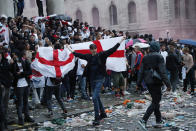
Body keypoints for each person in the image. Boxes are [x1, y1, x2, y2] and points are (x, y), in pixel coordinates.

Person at [67, 37, 125, 125]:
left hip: (100, 78)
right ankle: (103, 113)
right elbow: (77, 54)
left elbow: (112, 50)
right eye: (92, 49)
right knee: (96, 97)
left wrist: (120, 41)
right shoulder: (88, 56)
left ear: (96, 49)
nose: (93, 50)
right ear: (90, 50)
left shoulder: (101, 55)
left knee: (94, 97)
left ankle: (97, 118)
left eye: (95, 49)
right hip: (92, 80)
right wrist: (68, 48)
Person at [137, 41, 171, 129]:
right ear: (157, 48)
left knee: (155, 100)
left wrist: (138, 83)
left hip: (148, 82)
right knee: (156, 101)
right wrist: (168, 84)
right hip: (156, 81)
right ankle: (143, 120)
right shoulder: (159, 56)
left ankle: (158, 120)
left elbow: (141, 71)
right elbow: (163, 72)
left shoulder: (145, 57)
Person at [12, 52, 34, 125]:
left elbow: (30, 72)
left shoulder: (26, 62)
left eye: (15, 55)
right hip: (18, 85)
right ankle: (20, 118)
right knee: (19, 102)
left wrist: (21, 73)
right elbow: (15, 74)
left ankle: (27, 117)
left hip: (26, 84)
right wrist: (23, 74)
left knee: (26, 101)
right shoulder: (14, 64)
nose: (14, 56)